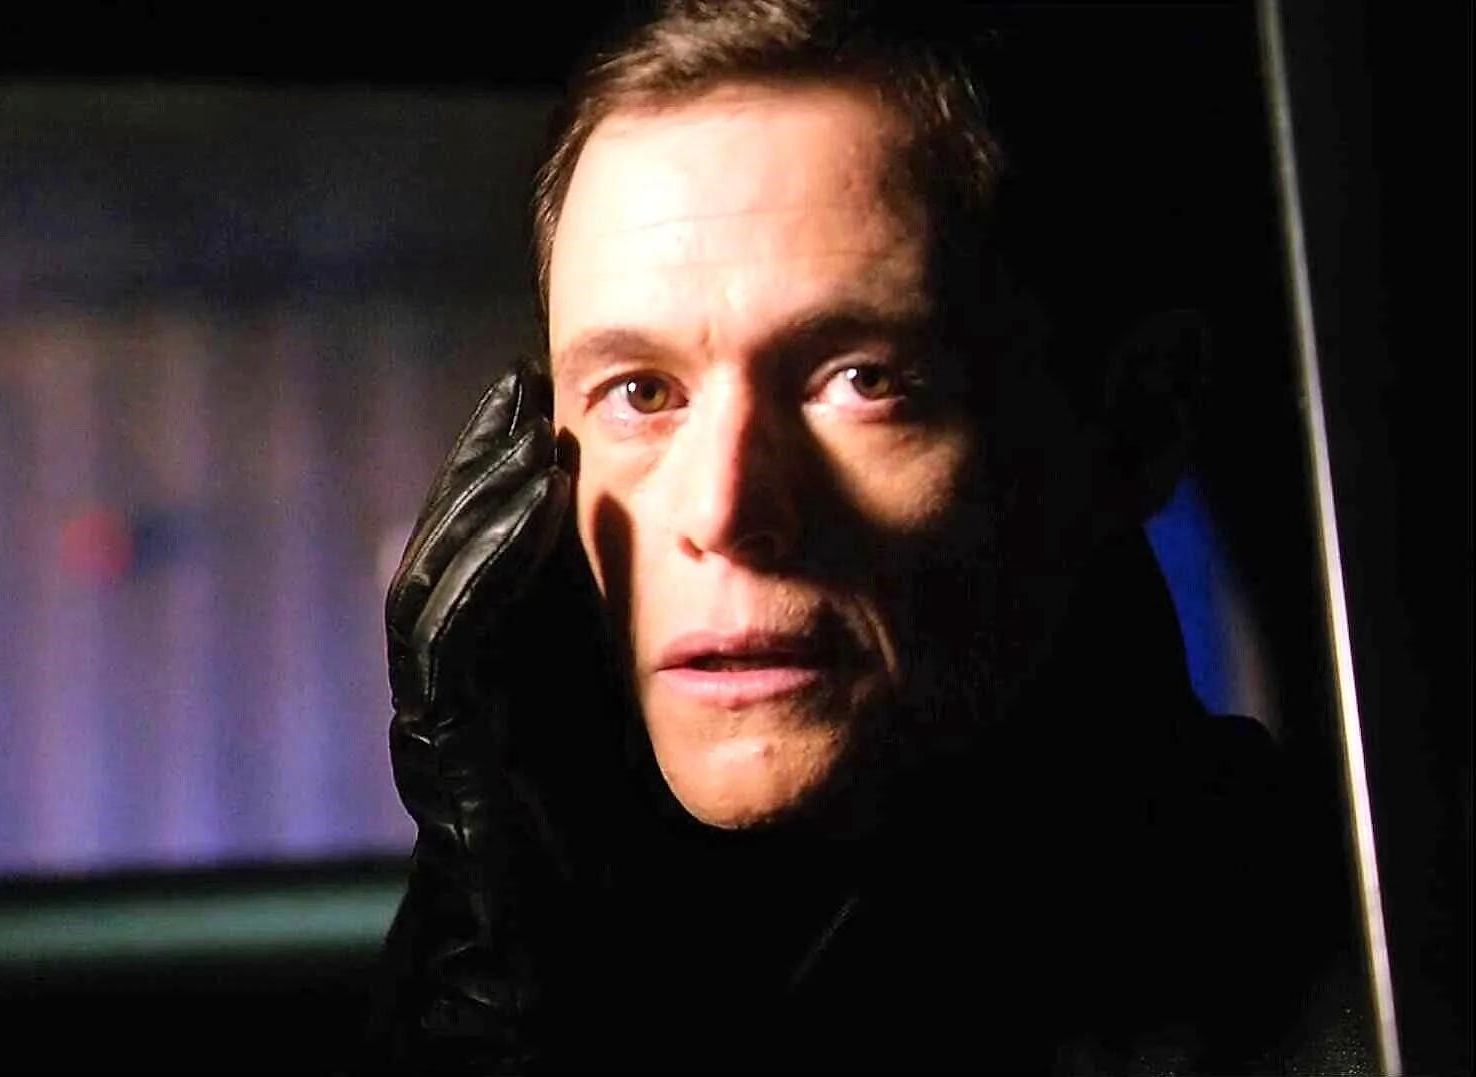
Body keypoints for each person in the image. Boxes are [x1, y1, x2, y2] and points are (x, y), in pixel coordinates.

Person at [365, 2, 1337, 1071]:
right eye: (642, 392)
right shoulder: (571, 951)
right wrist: (499, 963)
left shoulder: (1362, 991)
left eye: (863, 380)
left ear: (1133, 428)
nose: (723, 511)